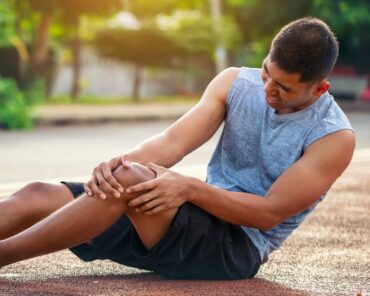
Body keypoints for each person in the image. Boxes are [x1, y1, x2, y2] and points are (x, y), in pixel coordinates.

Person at [0, 17, 355, 280]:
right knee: (37, 195)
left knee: (131, 179)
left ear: (319, 89)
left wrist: (189, 188)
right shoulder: (234, 82)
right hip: (177, 220)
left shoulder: (334, 137)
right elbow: (172, 144)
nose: (268, 90)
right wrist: (115, 167)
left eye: (284, 88)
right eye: (266, 74)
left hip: (234, 247)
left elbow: (267, 214)